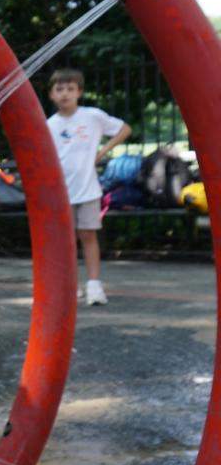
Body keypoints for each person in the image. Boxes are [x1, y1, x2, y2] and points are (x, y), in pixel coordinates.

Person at [46, 68, 131, 305]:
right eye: (59, 89)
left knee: (88, 235)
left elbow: (124, 129)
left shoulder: (92, 116)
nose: (65, 94)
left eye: (70, 89)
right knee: (66, 241)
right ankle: (69, 285)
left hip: (88, 189)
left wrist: (102, 151)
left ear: (79, 92)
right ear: (51, 94)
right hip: (62, 192)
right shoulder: (49, 125)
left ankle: (94, 284)